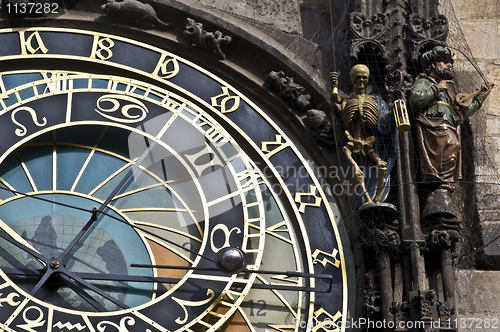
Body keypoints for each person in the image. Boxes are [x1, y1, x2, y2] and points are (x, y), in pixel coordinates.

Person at [409, 45, 493, 221]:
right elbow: (415, 100)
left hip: (447, 127)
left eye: (450, 62)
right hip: (434, 129)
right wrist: (435, 89)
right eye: (444, 62)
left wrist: (480, 98)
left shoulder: (447, 91)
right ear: (433, 64)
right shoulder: (426, 82)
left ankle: (442, 192)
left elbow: (459, 114)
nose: (449, 65)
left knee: (453, 153)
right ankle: (435, 194)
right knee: (445, 153)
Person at [330, 64, 397, 205]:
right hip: (353, 140)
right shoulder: (347, 100)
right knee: (358, 170)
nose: (360, 81)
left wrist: (395, 111)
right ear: (352, 80)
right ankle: (367, 199)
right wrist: (334, 85)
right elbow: (335, 98)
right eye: (357, 78)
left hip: (370, 141)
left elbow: (385, 120)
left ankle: (377, 198)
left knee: (381, 165)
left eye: (364, 78)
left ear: (367, 80)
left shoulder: (376, 101)